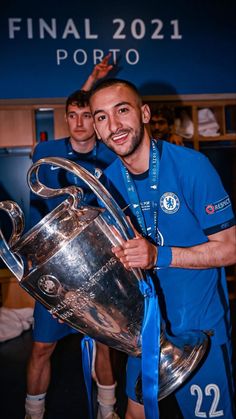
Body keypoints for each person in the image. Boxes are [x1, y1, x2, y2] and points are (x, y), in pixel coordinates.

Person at [88, 78, 236, 419]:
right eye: (101, 117)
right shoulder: (107, 184)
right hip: (145, 332)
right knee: (136, 412)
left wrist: (159, 256)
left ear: (143, 113)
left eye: (121, 111)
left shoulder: (191, 167)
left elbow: (229, 248)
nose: (113, 126)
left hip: (200, 330)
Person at [25, 57, 120, 419]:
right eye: (73, 116)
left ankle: (107, 410)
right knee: (41, 348)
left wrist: (95, 80)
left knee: (103, 344)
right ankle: (33, 412)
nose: (80, 123)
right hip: (54, 266)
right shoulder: (46, 153)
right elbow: (36, 213)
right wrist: (34, 267)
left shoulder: (109, 154)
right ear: (66, 118)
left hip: (98, 267)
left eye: (87, 116)